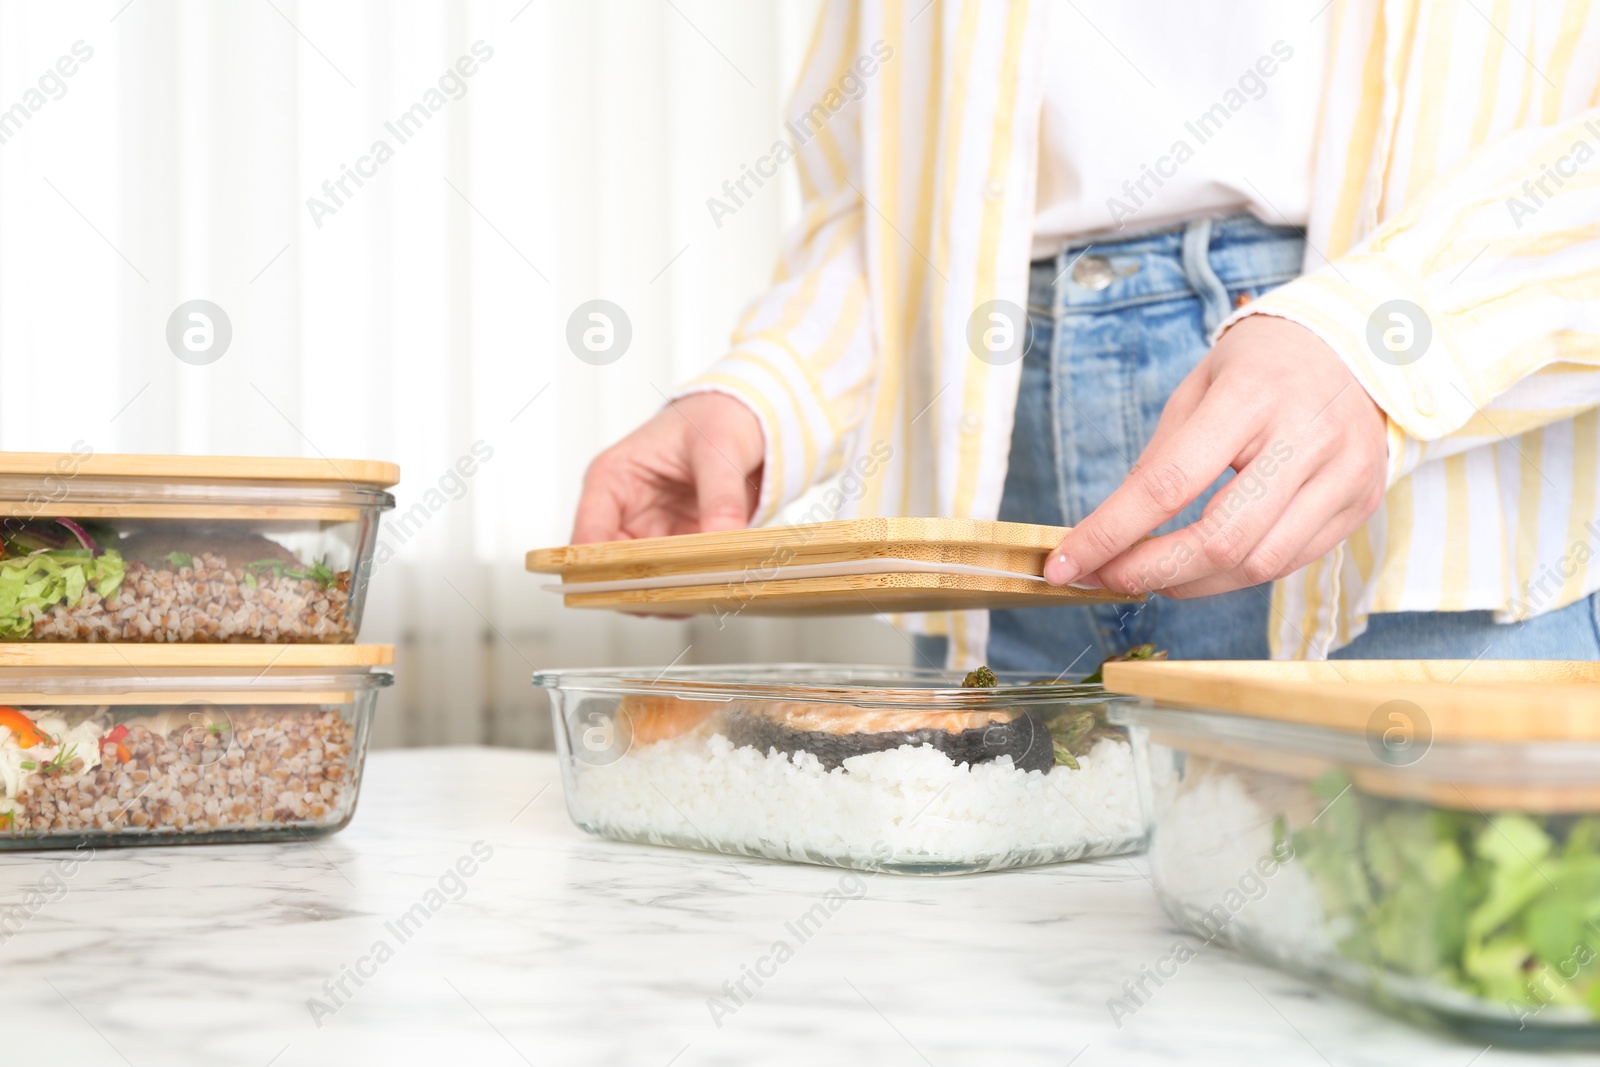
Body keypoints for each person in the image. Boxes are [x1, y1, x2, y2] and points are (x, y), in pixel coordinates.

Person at [573, 1, 1600, 674]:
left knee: (1417, 987)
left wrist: (1389, 338)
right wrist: (768, 389)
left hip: (1424, 535)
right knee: (1009, 988)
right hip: (996, 503)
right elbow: (884, 182)